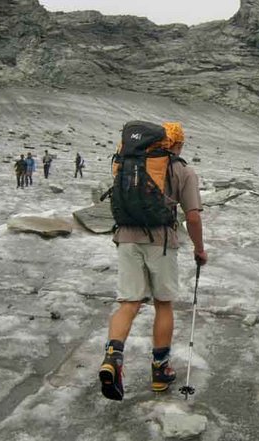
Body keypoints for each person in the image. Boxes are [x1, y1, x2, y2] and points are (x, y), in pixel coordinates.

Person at [98, 122, 208, 401]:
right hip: (161, 241)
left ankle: (113, 356)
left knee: (129, 302)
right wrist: (199, 248)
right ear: (178, 144)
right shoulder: (183, 170)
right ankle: (160, 371)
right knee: (163, 303)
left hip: (125, 237)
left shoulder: (129, 163)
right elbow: (192, 217)